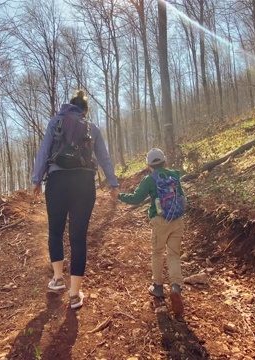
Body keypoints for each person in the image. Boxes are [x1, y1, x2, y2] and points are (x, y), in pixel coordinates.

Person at [31, 90, 119, 310]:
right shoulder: (92, 128)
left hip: (57, 182)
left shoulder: (55, 122)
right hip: (83, 183)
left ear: (68, 107)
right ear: (85, 111)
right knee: (78, 237)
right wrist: (112, 182)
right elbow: (104, 157)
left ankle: (58, 279)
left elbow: (43, 152)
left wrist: (36, 179)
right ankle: (74, 293)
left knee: (55, 232)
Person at [117, 148, 186, 316]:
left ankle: (158, 287)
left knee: (157, 253)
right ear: (164, 161)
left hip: (160, 221)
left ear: (149, 165)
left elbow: (136, 198)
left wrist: (119, 196)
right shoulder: (174, 175)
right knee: (174, 255)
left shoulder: (149, 179)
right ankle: (176, 286)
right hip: (177, 219)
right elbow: (183, 196)